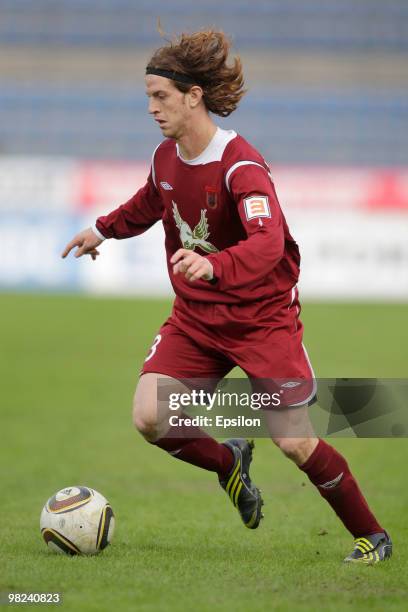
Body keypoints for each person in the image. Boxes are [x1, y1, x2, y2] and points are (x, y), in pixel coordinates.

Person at [62, 30, 392, 564]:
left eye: (160, 96)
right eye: (148, 97)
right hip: (197, 318)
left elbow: (268, 243)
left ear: (194, 95)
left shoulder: (242, 166)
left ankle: (371, 535)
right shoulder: (165, 157)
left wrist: (214, 265)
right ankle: (227, 463)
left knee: (294, 441)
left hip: (261, 321)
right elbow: (152, 201)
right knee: (151, 416)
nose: (151, 108)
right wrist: (102, 230)